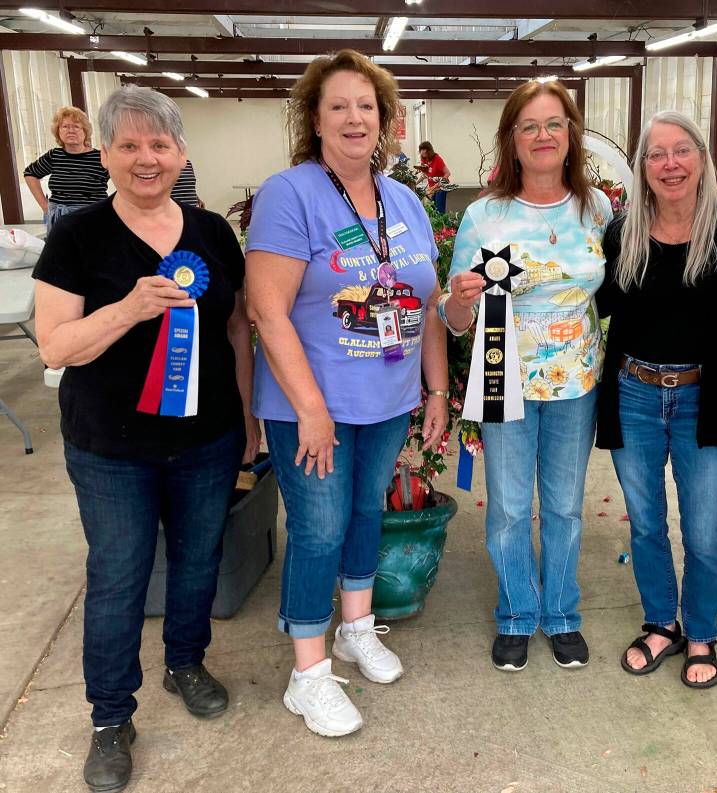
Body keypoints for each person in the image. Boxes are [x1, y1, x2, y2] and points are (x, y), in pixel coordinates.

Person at [31, 86, 259, 793]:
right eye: (128, 145)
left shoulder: (213, 232)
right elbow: (55, 344)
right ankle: (109, 716)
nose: (146, 158)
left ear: (182, 153)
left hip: (208, 437)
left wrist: (248, 421)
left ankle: (185, 660)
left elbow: (236, 328)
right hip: (110, 447)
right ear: (105, 155)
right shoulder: (76, 235)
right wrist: (128, 309)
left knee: (198, 561)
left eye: (159, 144)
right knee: (119, 574)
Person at [245, 49, 448, 738]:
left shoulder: (404, 200)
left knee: (365, 510)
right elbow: (267, 310)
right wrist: (309, 408)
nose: (356, 118)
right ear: (315, 118)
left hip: (387, 397)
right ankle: (307, 674)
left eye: (368, 106)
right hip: (312, 404)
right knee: (319, 527)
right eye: (340, 106)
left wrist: (435, 391)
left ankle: (355, 627)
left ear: (387, 121)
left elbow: (424, 301)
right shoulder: (290, 192)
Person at [441, 79, 612, 673]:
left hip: (576, 385)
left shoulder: (597, 208)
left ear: (571, 136)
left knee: (564, 506)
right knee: (512, 507)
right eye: (529, 126)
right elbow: (453, 315)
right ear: (511, 140)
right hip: (502, 381)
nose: (543, 136)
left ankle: (562, 612)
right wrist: (459, 300)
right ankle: (516, 612)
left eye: (554, 125)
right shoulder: (484, 216)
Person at [596, 111, 717, 689]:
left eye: (681, 150)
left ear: (702, 158)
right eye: (656, 154)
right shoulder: (623, 233)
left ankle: (700, 633)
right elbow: (591, 301)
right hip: (636, 393)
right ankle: (660, 623)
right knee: (645, 523)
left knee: (703, 528)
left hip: (704, 397)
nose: (670, 164)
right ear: (642, 168)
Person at [23, 105, 109, 231]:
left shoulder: (100, 157)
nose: (71, 130)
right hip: (59, 219)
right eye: (65, 126)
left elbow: (123, 177)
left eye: (76, 126)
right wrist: (44, 206)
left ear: (85, 131)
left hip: (92, 218)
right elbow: (30, 173)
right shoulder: (54, 155)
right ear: (58, 131)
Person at [417, 140, 451, 213]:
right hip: (432, 188)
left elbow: (447, 173)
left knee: (439, 209)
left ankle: (442, 224)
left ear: (429, 150)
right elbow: (424, 175)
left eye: (424, 149)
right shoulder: (424, 159)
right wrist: (415, 183)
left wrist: (439, 183)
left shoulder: (437, 159)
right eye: (421, 150)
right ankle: (435, 224)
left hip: (440, 187)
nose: (422, 152)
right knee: (432, 208)